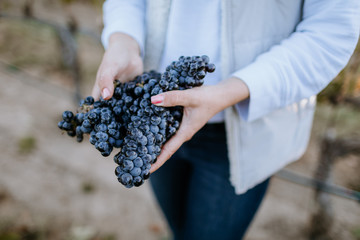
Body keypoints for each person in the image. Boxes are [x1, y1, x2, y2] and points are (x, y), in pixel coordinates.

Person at [92, 1, 360, 239]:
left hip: (241, 132)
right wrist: (123, 37)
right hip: (154, 119)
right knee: (180, 230)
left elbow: (330, 33)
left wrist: (230, 91)